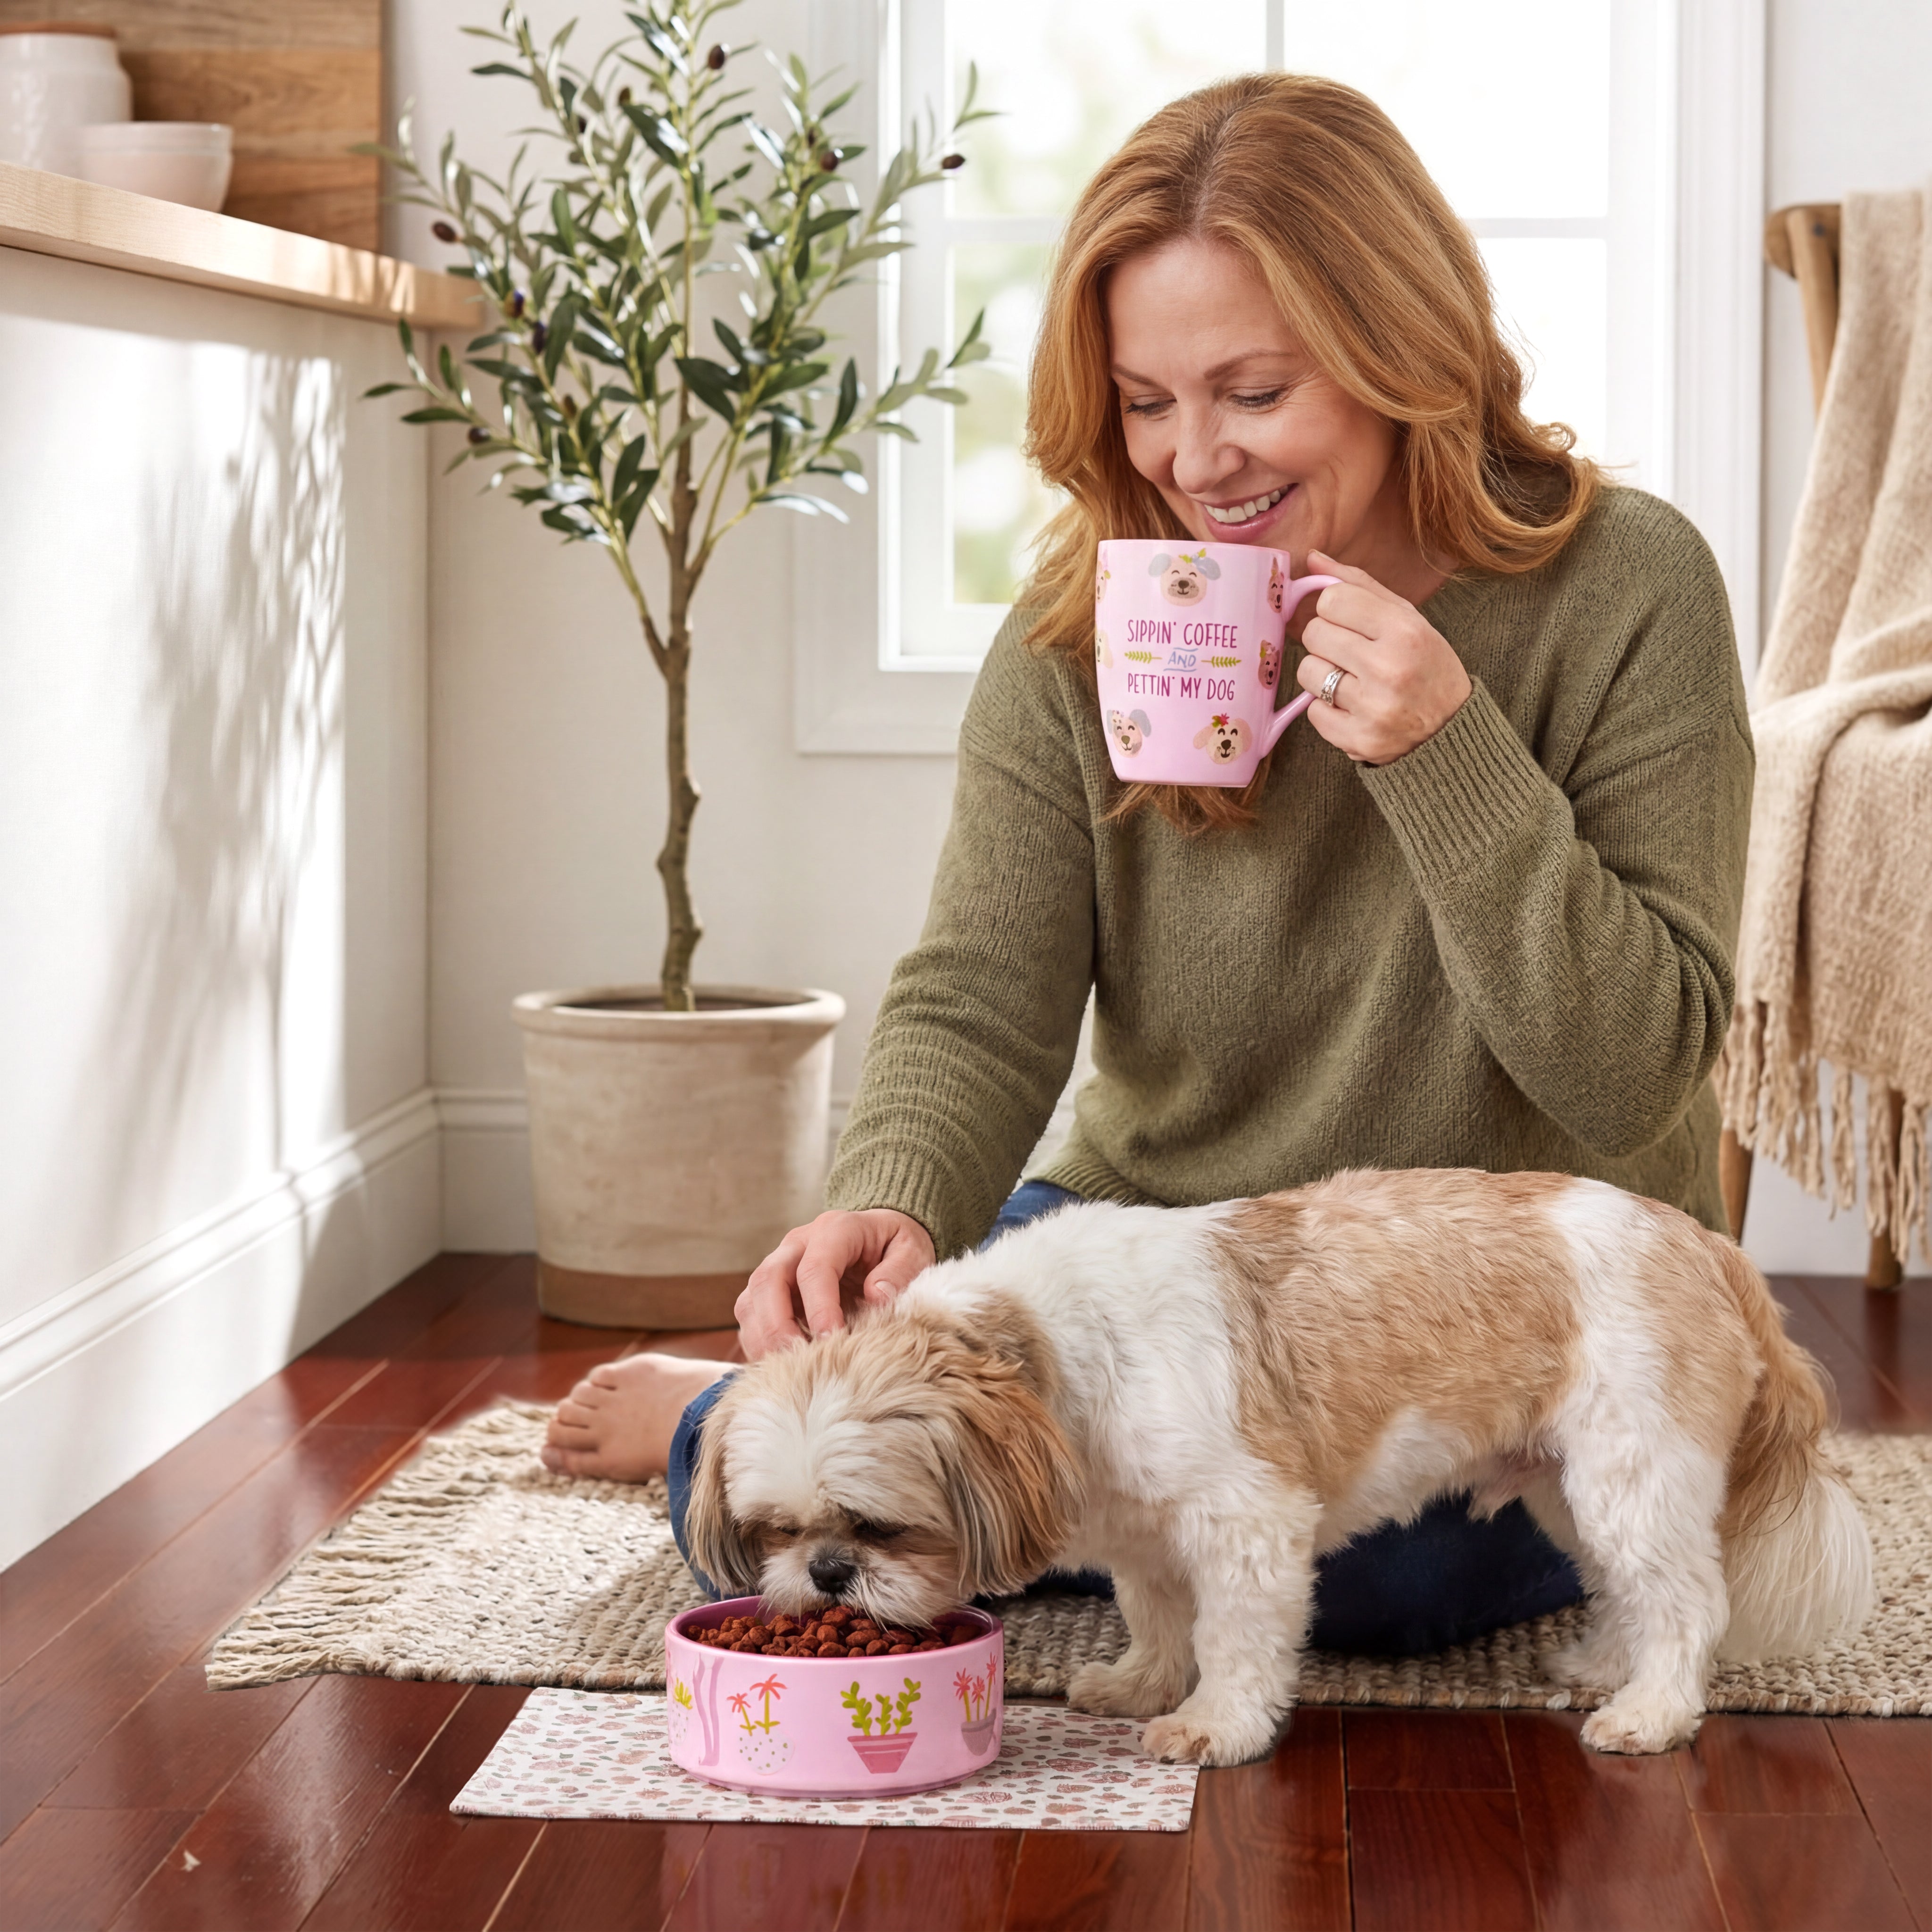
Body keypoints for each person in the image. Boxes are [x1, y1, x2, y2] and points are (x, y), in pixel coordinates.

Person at [543, 73, 1752, 1655]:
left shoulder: (1627, 585)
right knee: (872, 1485)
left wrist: (1449, 754)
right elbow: (981, 994)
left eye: (1254, 391)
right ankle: (763, 1430)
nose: (1196, 458)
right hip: (1158, 1255)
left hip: (1496, 1305)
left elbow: (1637, 1072)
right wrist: (892, 1205)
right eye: (1145, 400)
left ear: (1405, 352)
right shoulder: (1077, 633)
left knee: (1373, 1578)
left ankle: (749, 1433)